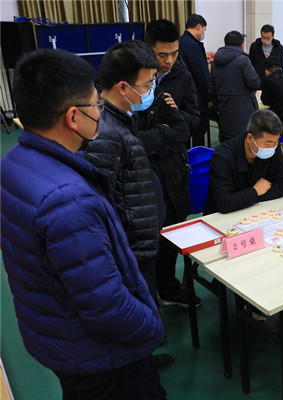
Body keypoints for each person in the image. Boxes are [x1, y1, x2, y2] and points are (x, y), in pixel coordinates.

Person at [1, 49, 165, 399]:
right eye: (96, 105)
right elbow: (106, 305)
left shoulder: (14, 161)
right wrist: (151, 326)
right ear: (73, 116)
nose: (100, 112)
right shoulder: (68, 201)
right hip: (99, 356)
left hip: (58, 333)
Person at [204, 110, 283, 336]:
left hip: (260, 217)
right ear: (250, 137)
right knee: (257, 261)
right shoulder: (223, 155)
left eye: (276, 142)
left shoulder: (272, 149)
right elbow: (224, 203)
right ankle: (257, 300)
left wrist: (247, 198)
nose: (273, 147)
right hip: (224, 226)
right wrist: (255, 191)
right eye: (268, 142)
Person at [85, 41, 162, 308]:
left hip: (140, 243)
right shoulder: (105, 133)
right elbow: (101, 203)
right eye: (148, 84)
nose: (151, 90)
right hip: (130, 250)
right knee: (139, 312)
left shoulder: (122, 118)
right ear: (123, 88)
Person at [142, 19, 204, 307]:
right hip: (144, 169)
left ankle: (167, 286)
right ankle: (145, 293)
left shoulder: (182, 75)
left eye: (174, 53)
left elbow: (194, 120)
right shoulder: (134, 76)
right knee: (144, 236)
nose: (169, 61)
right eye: (162, 55)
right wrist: (167, 130)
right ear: (148, 50)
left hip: (174, 165)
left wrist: (177, 114)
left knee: (172, 229)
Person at [210, 30, 261, 142]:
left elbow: (212, 87)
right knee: (243, 142)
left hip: (224, 108)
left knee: (227, 141)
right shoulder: (243, 60)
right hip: (243, 109)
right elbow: (255, 82)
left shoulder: (215, 62)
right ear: (241, 45)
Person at [179, 14, 210, 147]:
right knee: (198, 132)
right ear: (199, 27)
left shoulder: (181, 41)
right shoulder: (192, 45)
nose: (203, 33)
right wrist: (208, 97)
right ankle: (198, 157)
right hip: (196, 97)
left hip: (182, 97)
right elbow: (201, 74)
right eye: (204, 30)